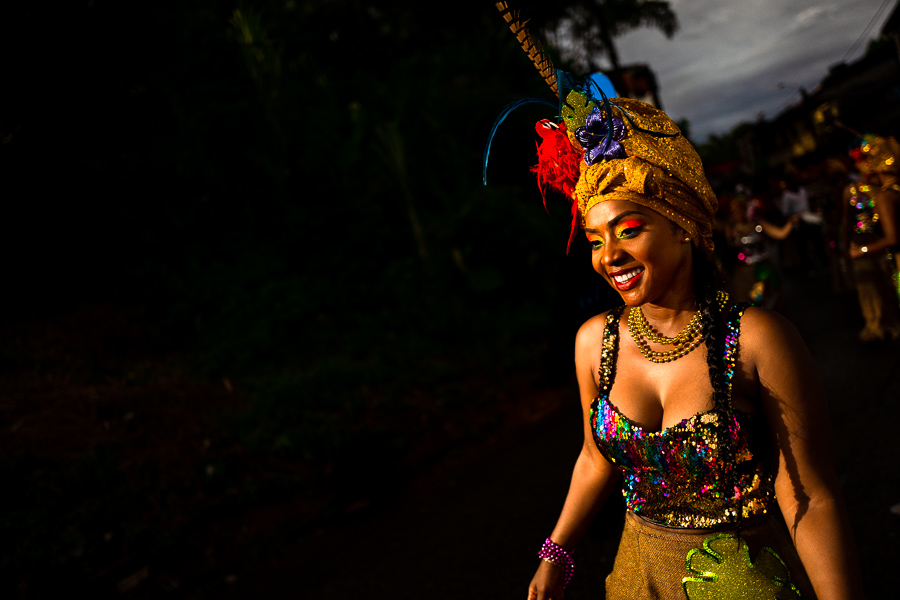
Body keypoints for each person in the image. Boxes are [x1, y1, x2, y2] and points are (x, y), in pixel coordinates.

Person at [500, 87, 863, 599]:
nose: (610, 256)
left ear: (683, 226)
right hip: (633, 581)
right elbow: (593, 457)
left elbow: (811, 497)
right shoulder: (593, 343)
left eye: (628, 230)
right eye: (596, 240)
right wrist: (557, 553)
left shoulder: (758, 338)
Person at [844, 135, 900, 341]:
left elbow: (893, 238)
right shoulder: (853, 190)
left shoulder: (884, 195)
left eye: (868, 161)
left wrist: (861, 252)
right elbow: (845, 221)